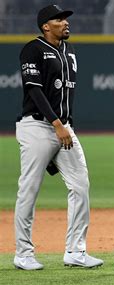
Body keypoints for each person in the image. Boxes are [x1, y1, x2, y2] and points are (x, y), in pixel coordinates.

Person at [14, 4, 103, 270]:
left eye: (66, 19)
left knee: (80, 185)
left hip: (64, 128)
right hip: (37, 127)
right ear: (45, 26)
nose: (66, 22)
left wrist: (65, 125)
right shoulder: (33, 49)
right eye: (59, 19)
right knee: (28, 189)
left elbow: (66, 95)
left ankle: (75, 251)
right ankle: (23, 253)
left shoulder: (69, 51)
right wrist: (56, 124)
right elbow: (34, 90)